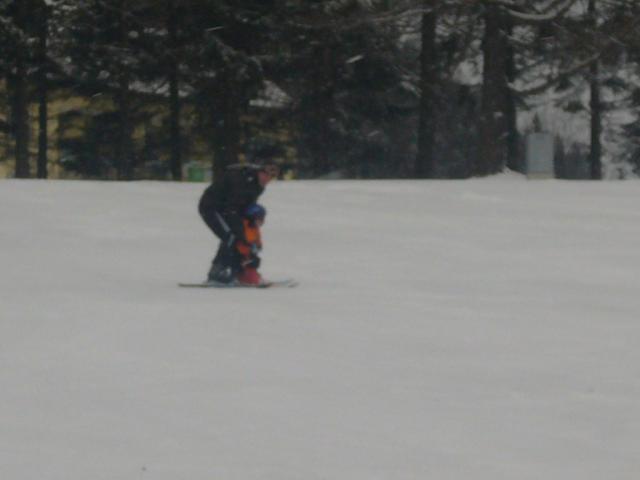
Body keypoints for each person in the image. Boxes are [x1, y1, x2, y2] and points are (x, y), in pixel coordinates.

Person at [198, 161, 277, 284]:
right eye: (266, 174)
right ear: (259, 171)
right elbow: (232, 208)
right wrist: (240, 232)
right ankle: (217, 272)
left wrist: (253, 219)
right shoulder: (241, 181)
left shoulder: (258, 185)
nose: (268, 179)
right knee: (231, 236)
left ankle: (239, 272)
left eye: (272, 176)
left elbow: (245, 206)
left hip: (229, 209)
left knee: (238, 237)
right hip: (212, 207)